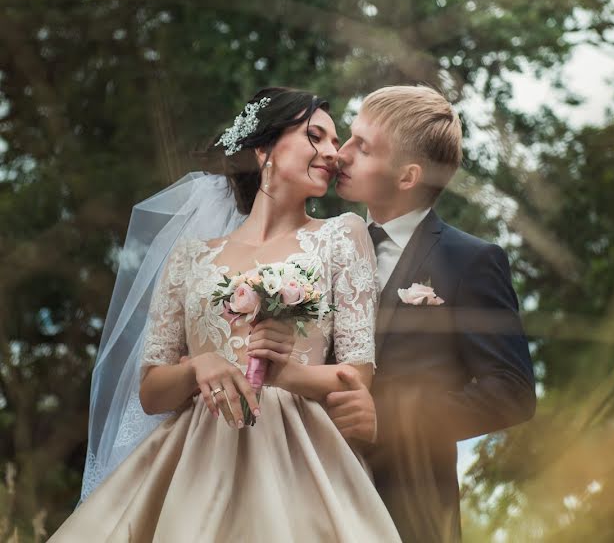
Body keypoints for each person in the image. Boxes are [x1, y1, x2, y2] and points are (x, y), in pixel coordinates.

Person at [50, 87, 401, 542]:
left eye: (335, 142)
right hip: (193, 462)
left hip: (298, 459)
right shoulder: (190, 256)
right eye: (316, 136)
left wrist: (282, 375)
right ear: (263, 151)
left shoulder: (341, 236)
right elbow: (152, 393)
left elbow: (357, 376)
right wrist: (200, 366)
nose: (334, 153)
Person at [327, 84, 537, 542]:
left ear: (407, 177)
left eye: (362, 148)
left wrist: (386, 419)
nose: (340, 155)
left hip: (408, 511)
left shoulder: (471, 262)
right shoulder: (323, 246)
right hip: (311, 491)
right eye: (347, 138)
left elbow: (513, 392)